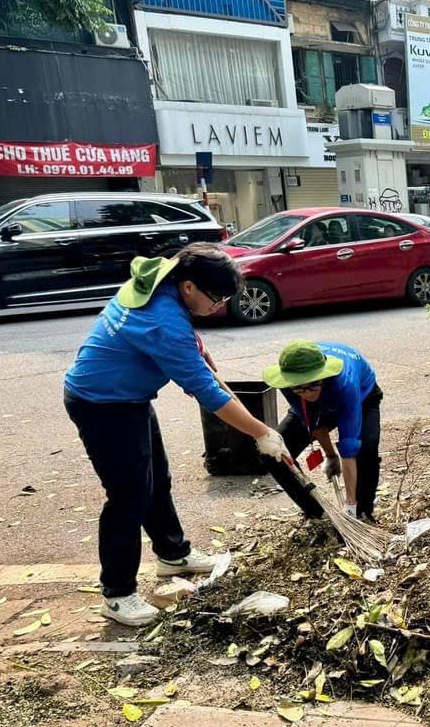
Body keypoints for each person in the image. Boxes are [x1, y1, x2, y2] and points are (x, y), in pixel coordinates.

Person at [63, 244, 292, 627]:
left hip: (128, 398)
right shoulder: (164, 325)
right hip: (101, 404)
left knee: (156, 479)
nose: (219, 306)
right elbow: (209, 395)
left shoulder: (160, 278)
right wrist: (263, 432)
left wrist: (197, 349)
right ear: (188, 287)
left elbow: (193, 359)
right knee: (127, 496)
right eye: (216, 297)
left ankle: (173, 553)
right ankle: (117, 594)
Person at [261, 340, 382, 521]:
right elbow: (314, 423)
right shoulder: (288, 384)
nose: (307, 393)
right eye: (300, 388)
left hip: (363, 396)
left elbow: (349, 447)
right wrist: (331, 455)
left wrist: (349, 506)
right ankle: (319, 514)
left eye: (312, 386)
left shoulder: (345, 384)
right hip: (323, 397)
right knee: (274, 454)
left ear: (322, 376)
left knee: (365, 450)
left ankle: (361, 513)